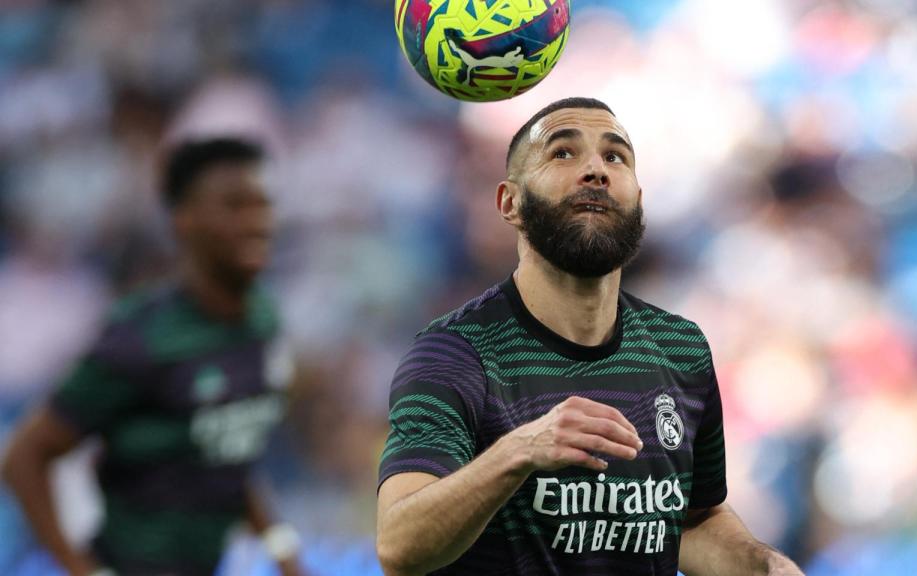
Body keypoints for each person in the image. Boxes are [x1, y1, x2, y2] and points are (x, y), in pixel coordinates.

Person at [376, 97, 804, 576]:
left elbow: (691, 520)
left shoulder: (680, 347)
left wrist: (762, 566)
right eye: (562, 153)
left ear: (638, 200)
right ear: (509, 202)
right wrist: (519, 451)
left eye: (615, 156)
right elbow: (400, 546)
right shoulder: (455, 353)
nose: (596, 170)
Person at [1, 138, 302, 576]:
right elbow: (25, 457)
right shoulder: (141, 338)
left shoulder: (262, 320)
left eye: (263, 205)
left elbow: (230, 453)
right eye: (235, 206)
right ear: (184, 220)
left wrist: (282, 549)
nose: (257, 222)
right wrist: (81, 570)